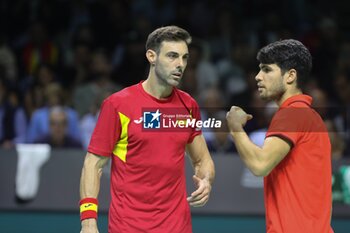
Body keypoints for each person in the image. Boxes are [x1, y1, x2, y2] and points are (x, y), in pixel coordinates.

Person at [79, 25, 215, 233]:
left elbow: (202, 160)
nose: (180, 65)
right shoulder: (118, 105)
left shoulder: (189, 106)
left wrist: (205, 179)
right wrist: (88, 222)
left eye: (185, 58)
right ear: (152, 56)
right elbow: (93, 165)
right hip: (128, 227)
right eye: (172, 56)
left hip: (177, 227)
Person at [226, 39, 334, 233]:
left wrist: (235, 128)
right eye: (259, 69)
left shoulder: (292, 114)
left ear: (290, 76)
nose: (258, 76)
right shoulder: (309, 116)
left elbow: (260, 165)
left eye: (267, 70)